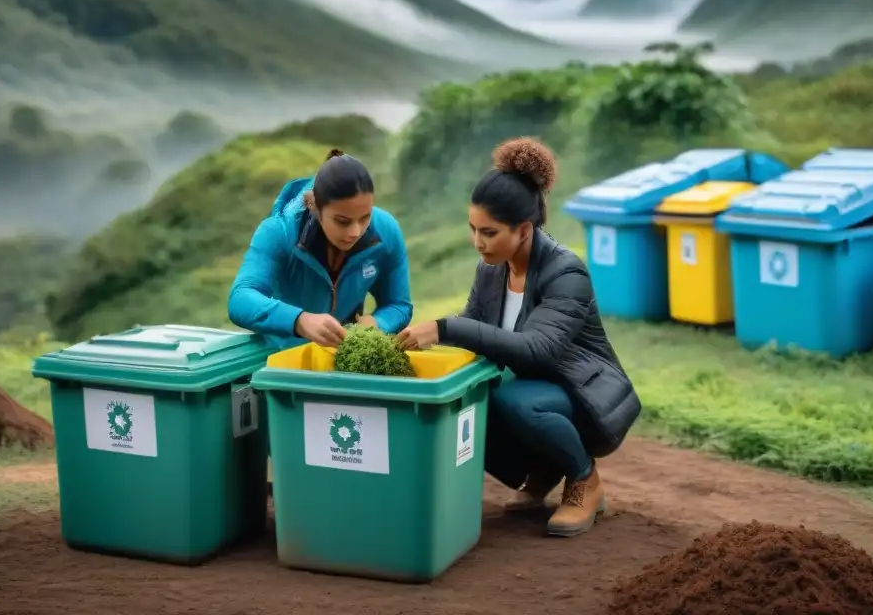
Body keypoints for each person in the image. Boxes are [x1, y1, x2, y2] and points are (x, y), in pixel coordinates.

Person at [396, 137, 641, 538]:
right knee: (465, 395)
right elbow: (475, 329)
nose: (478, 243)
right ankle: (545, 467)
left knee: (509, 397)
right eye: (473, 230)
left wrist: (442, 328)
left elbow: (537, 351)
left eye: (489, 232)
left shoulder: (566, 273)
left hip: (584, 397)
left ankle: (584, 480)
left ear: (524, 229)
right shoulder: (492, 268)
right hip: (535, 392)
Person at [228, 148, 413, 350]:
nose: (355, 231)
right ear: (315, 207)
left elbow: (399, 305)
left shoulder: (386, 232)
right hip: (282, 363)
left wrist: (378, 324)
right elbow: (241, 299)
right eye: (342, 221)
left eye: (365, 217)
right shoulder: (278, 232)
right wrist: (299, 320)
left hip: (342, 365)